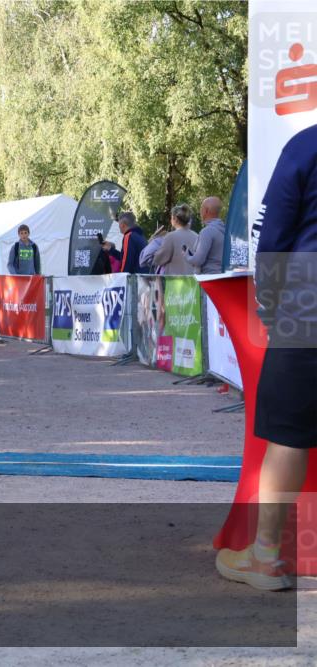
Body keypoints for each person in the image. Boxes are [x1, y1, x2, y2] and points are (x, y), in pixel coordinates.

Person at [216, 124, 317, 591]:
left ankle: (265, 558)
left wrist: (271, 307)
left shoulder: (305, 145)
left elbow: (273, 235)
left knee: (288, 438)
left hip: (307, 307)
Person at [153, 204, 199, 275]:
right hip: (193, 282)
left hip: (175, 282)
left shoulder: (171, 236)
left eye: (171, 217)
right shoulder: (197, 236)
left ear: (174, 218)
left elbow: (158, 260)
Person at [186, 196, 226, 274]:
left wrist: (187, 256)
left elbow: (198, 260)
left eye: (201, 208)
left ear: (205, 211)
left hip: (209, 278)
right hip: (222, 276)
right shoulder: (225, 230)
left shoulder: (207, 232)